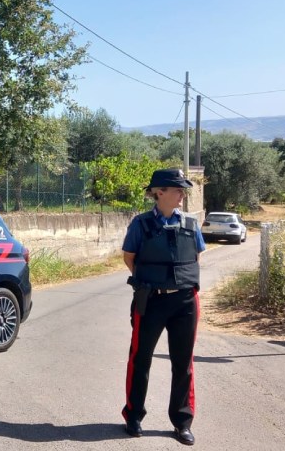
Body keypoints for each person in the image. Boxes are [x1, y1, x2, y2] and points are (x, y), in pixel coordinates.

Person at [121, 168, 205, 445]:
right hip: (151, 300)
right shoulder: (140, 224)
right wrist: (152, 281)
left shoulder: (191, 225)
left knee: (183, 363)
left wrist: (177, 282)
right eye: (177, 189)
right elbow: (129, 256)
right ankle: (133, 417)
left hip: (185, 301)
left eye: (183, 189)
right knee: (140, 358)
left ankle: (182, 422)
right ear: (159, 192)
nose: (182, 193)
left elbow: (196, 257)